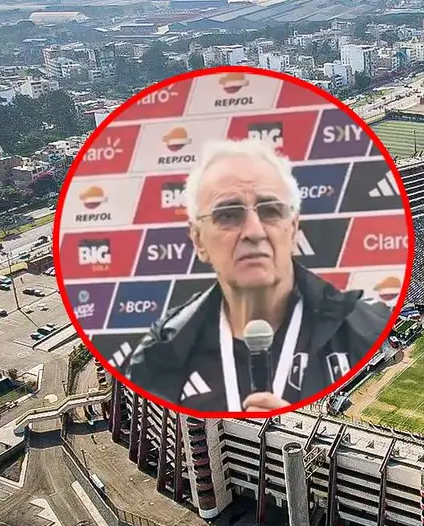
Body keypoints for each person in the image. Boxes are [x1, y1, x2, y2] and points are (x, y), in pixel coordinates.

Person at [123, 139, 391, 413]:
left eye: (270, 210)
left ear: (294, 228)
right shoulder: (158, 358)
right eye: (227, 215)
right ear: (199, 239)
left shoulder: (366, 327)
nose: (254, 231)